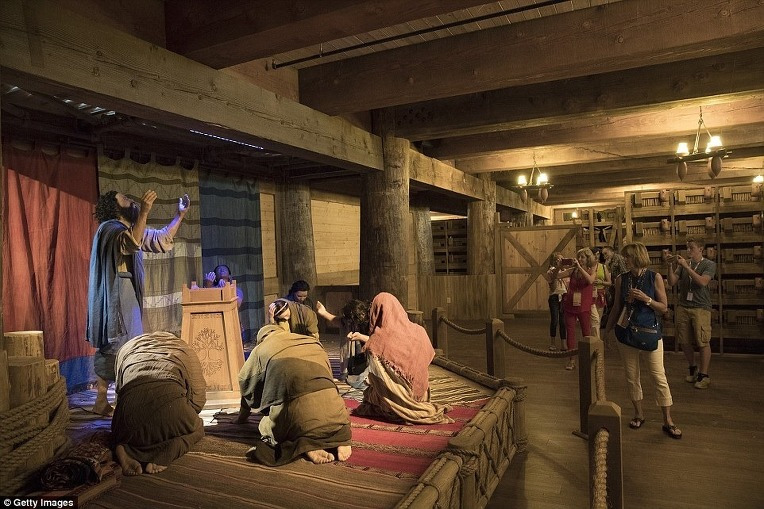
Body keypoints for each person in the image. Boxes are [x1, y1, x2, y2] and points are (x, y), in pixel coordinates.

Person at [86, 190, 190, 416]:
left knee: (124, 343)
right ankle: (112, 400)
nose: (131, 201)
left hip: (126, 291)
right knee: (119, 343)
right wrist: (144, 211)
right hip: (116, 292)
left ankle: (109, 400)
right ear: (114, 207)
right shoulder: (109, 228)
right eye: (125, 199)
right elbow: (129, 244)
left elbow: (161, 239)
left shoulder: (130, 229)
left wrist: (179, 215)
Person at [235, 324, 352, 465]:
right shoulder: (312, 342)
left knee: (269, 425)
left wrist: (242, 417)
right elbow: (329, 382)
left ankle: (306, 446)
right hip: (337, 414)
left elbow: (246, 384)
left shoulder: (261, 349)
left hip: (298, 417)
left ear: (261, 339)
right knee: (328, 408)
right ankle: (342, 439)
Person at [605, 242, 681, 439]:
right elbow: (616, 307)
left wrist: (646, 299)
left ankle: (668, 420)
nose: (625, 260)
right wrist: (607, 330)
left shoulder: (654, 277)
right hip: (626, 332)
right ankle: (638, 414)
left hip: (649, 332)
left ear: (638, 256)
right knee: (632, 376)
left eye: (628, 256)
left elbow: (663, 307)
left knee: (658, 376)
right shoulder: (621, 279)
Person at [111, 331, 207, 475]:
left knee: (121, 431)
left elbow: (119, 391)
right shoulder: (184, 349)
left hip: (127, 415)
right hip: (172, 407)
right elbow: (198, 399)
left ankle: (122, 446)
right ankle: (165, 453)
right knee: (198, 429)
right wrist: (185, 413)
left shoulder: (127, 348)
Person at [352, 292, 452, 424]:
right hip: (421, 395)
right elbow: (427, 356)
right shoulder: (419, 330)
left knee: (370, 394)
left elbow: (380, 376)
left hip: (399, 400)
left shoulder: (377, 342)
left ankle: (398, 406)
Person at [667, 238, 716, 389]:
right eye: (687, 248)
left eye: (692, 248)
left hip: (701, 307)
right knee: (684, 340)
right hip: (683, 306)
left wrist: (687, 267)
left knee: (703, 340)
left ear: (701, 249)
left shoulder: (709, 264)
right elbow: (672, 282)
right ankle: (693, 367)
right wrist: (669, 265)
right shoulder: (683, 264)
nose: (688, 251)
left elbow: (702, 282)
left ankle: (704, 374)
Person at [555, 248, 597, 370]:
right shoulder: (573, 270)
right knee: (570, 332)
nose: (579, 259)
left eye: (582, 257)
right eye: (578, 257)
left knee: (586, 333)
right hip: (570, 305)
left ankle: (588, 358)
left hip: (584, 306)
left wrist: (580, 267)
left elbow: (590, 280)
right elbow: (556, 276)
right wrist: (559, 267)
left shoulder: (591, 270)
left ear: (588, 259)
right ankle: (572, 360)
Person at [316, 299, 371, 384]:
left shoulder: (371, 320)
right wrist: (323, 312)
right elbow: (339, 321)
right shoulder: (349, 321)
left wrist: (361, 337)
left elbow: (380, 341)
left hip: (371, 359)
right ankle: (348, 372)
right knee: (346, 331)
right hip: (357, 361)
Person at [543, 252, 567, 351]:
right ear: (554, 261)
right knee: (554, 320)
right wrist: (557, 269)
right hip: (554, 297)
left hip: (564, 296)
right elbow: (553, 288)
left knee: (563, 321)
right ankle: (552, 343)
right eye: (559, 259)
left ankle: (563, 344)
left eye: (563, 259)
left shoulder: (565, 271)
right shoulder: (550, 271)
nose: (561, 261)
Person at [602, 245, 628, 328]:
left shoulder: (619, 259)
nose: (604, 256)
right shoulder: (608, 261)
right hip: (612, 285)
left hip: (620, 285)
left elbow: (624, 272)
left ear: (612, 252)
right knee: (612, 303)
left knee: (619, 303)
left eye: (606, 253)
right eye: (603, 254)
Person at [590, 249, 611, 340]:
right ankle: (596, 341)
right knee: (594, 320)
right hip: (589, 293)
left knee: (598, 319)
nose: (596, 256)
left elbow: (609, 282)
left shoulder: (603, 267)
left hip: (600, 293)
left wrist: (601, 282)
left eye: (598, 254)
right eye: (594, 254)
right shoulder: (587, 267)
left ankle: (595, 341)